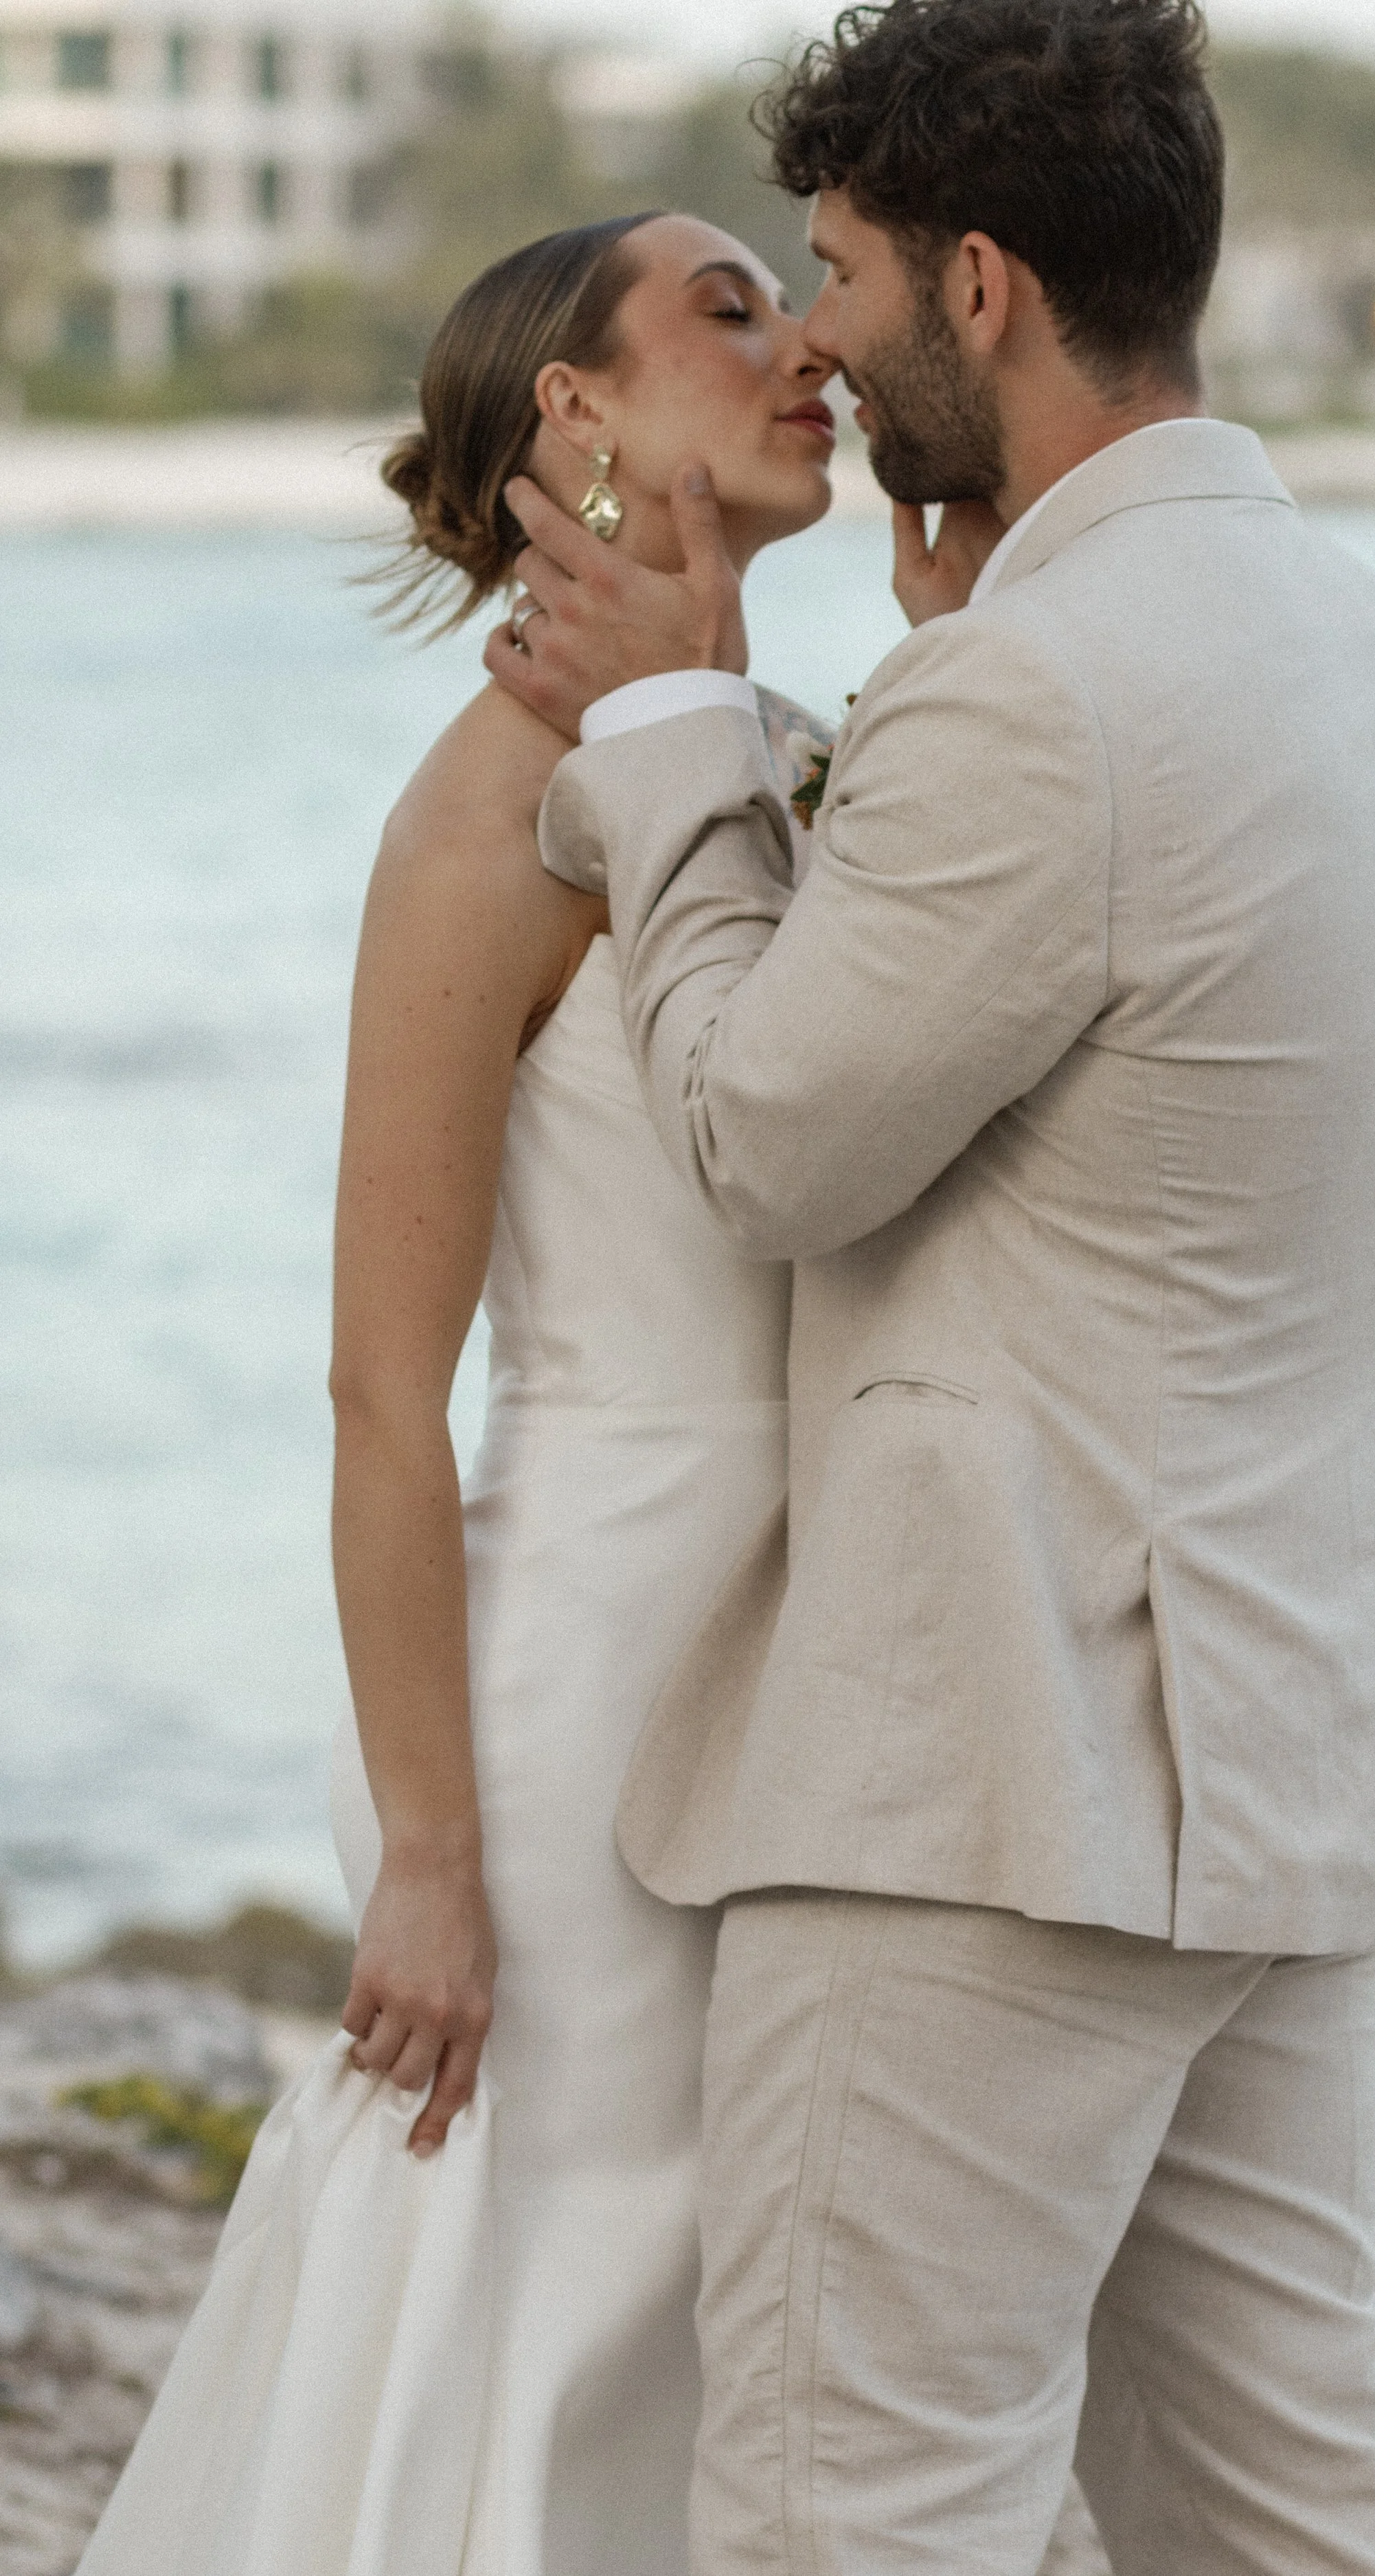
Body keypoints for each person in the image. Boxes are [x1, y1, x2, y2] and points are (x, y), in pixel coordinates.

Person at [488, 2, 1375, 2571]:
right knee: (1284, 2487)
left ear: (979, 283)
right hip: (1305, 1741)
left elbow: (760, 1136)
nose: (814, 337)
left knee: (857, 2509)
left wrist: (678, 740)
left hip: (1005, 1769)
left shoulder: (1042, 697)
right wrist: (915, 698)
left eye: (833, 271)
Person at [76, 210, 841, 2576]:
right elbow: (376, 1390)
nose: (802, 336)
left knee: (719, 2320)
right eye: (726, 308)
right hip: (579, 1696)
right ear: (577, 419)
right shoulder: (481, 816)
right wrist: (426, 1846)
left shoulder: (801, 759)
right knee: (539, 2307)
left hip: (807, 1652)